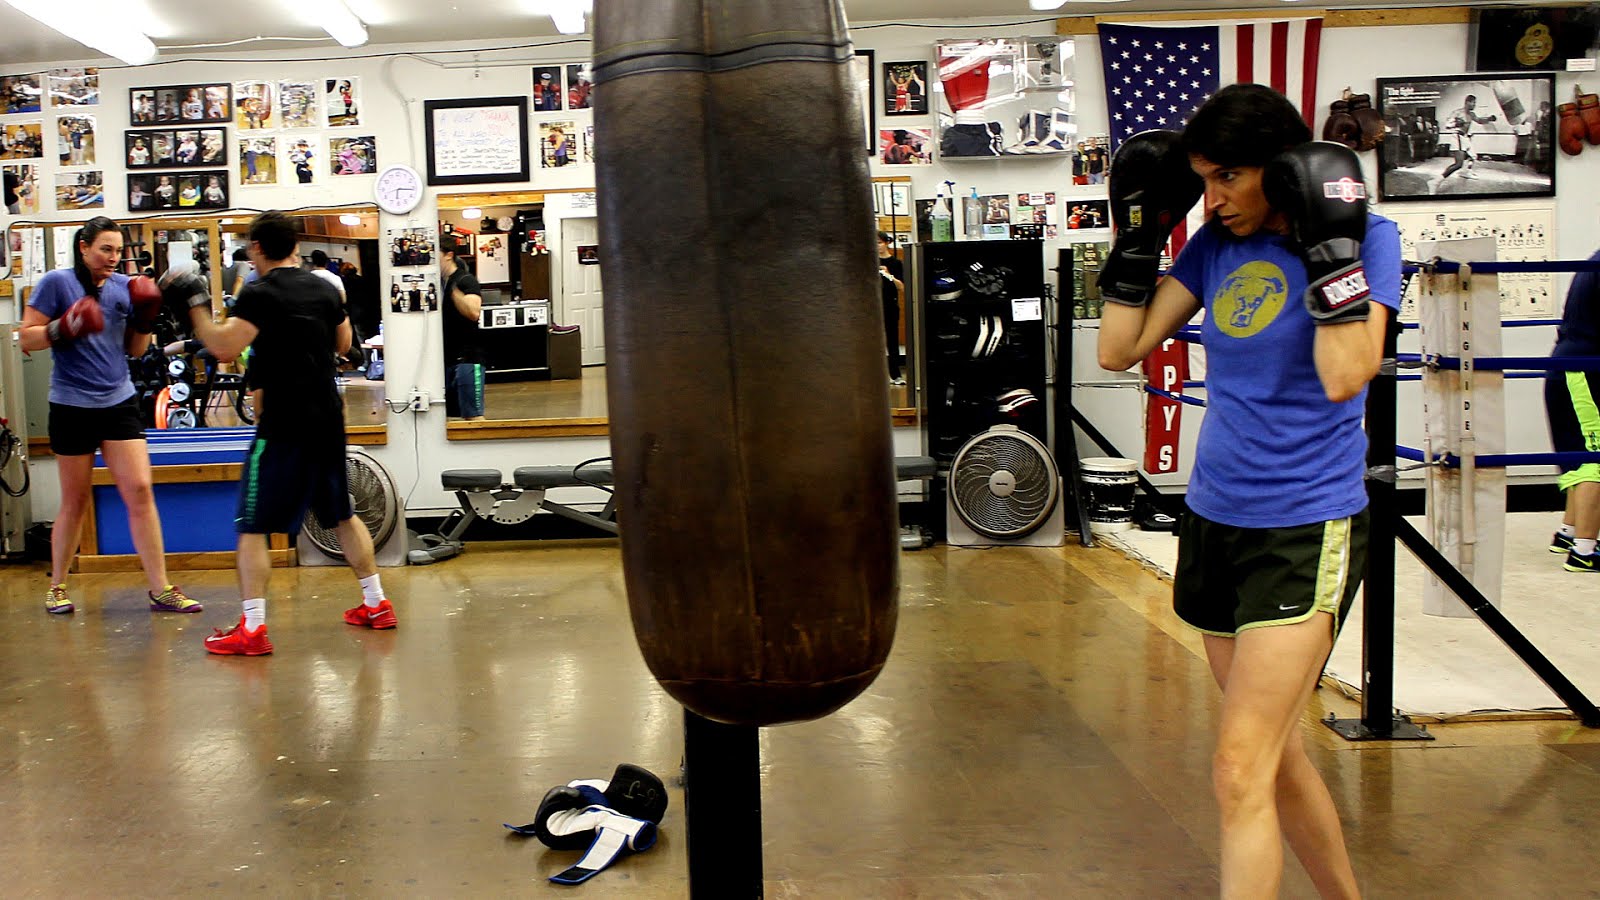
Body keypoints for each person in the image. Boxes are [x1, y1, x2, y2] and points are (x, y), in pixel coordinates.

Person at [1097, 83, 1400, 897]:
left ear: (1286, 167)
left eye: (1228, 175)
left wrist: (1326, 251)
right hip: (1215, 519)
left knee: (1237, 767)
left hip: (1304, 528)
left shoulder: (1367, 237)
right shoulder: (1214, 245)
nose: (1214, 197)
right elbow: (1119, 350)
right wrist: (1139, 239)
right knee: (1272, 754)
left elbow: (1347, 375)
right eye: (1201, 178)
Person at [178, 211, 396, 655]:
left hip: (282, 427)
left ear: (257, 247)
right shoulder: (324, 287)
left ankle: (253, 629)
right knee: (341, 512)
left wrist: (195, 302)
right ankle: (376, 604)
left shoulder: (259, 294)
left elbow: (222, 347)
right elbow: (342, 345)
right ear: (294, 245)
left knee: (252, 525)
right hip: (327, 420)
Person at [18, 216, 201, 616]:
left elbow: (135, 350)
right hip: (70, 404)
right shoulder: (57, 283)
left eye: (119, 250)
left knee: (139, 489)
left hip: (118, 400)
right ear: (83, 247)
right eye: (106, 249)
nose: (114, 258)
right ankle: (57, 586)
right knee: (76, 499)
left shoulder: (125, 288)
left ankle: (161, 588)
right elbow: (25, 338)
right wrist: (60, 328)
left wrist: (144, 317)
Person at [1544, 246, 1600, 573]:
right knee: (1595, 456)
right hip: (1583, 368)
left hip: (1570, 362)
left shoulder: (1592, 259)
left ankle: (1568, 532)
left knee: (1581, 454)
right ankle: (1585, 551)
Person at [439, 234, 486, 420]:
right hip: (446, 359)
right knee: (450, 417)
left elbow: (474, 312)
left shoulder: (465, 280)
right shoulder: (437, 283)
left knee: (473, 417)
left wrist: (454, 294)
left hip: (467, 357)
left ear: (448, 255)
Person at [1441, 93, 1498, 182]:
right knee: (1458, 164)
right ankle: (1439, 179)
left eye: (1475, 103)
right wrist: (1456, 124)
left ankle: (1466, 172)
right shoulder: (1457, 112)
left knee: (1473, 156)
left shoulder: (1472, 114)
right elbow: (1447, 125)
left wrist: (1489, 119)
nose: (1475, 105)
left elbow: (1479, 120)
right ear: (1467, 102)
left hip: (1465, 137)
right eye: (1473, 103)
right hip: (1457, 136)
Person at [877, 231, 904, 384]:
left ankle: (896, 374)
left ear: (886, 243)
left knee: (892, 340)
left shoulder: (896, 263)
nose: (877, 246)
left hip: (890, 305)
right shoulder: (870, 261)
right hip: (874, 306)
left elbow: (902, 287)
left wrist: (889, 275)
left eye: (879, 242)